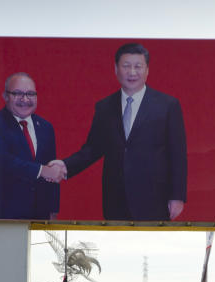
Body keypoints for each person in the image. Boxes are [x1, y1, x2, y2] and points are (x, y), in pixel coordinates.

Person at [52, 42, 187, 221]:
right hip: (115, 198)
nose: (132, 72)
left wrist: (177, 196)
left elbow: (177, 154)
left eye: (138, 66)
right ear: (116, 69)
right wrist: (65, 166)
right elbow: (93, 149)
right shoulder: (104, 107)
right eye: (126, 66)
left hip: (154, 198)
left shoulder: (167, 105)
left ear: (147, 70)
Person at [0, 73, 66, 219]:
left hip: (39, 216)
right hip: (1, 217)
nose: (25, 99)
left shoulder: (45, 127)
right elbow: (1, 161)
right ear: (5, 96)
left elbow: (52, 171)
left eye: (30, 94)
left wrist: (53, 210)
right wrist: (41, 170)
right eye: (17, 93)